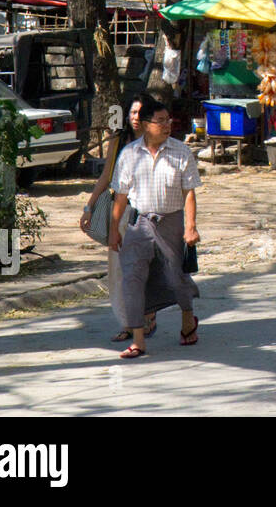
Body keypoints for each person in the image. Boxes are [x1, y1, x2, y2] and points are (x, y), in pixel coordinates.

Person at [109, 99, 202, 359]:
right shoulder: (129, 154)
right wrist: (114, 229)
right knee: (132, 279)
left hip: (171, 223)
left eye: (168, 120)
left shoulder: (181, 152)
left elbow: (189, 194)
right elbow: (120, 197)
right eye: (160, 121)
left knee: (176, 277)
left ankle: (187, 318)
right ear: (146, 125)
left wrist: (190, 228)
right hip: (139, 225)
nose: (167, 125)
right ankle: (139, 340)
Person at [81, 93, 161, 342]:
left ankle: (147, 317)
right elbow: (105, 177)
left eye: (141, 113)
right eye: (133, 113)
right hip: (121, 213)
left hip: (149, 213)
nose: (136, 118)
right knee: (119, 271)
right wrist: (88, 208)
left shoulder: (158, 141)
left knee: (145, 269)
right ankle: (128, 323)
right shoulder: (118, 141)